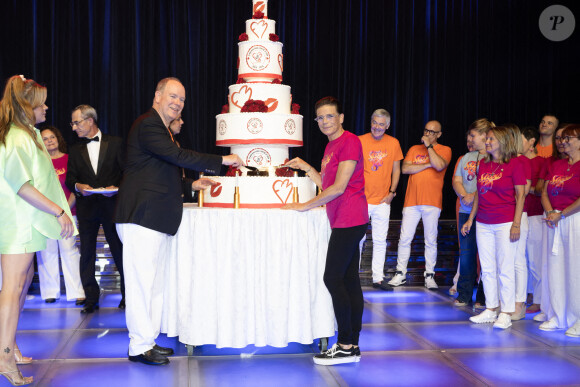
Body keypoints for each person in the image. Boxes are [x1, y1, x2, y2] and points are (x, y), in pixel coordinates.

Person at [113, 77, 242, 366]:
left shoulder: (161, 130)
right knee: (142, 286)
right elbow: (177, 156)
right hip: (141, 217)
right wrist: (222, 160)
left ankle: (148, 341)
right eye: (173, 96)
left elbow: (161, 174)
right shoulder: (148, 125)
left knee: (155, 285)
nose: (177, 103)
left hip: (154, 219)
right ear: (157, 95)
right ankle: (138, 346)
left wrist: (191, 187)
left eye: (182, 99)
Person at [0, 75, 75, 386]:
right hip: (19, 222)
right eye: (41, 102)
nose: (46, 107)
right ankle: (4, 357)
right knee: (12, 289)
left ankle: (10, 346)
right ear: (26, 106)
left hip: (26, 222)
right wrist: (58, 211)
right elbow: (22, 186)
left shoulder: (26, 134)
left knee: (19, 286)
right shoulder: (18, 136)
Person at [283, 96, 367, 366]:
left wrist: (306, 205)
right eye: (320, 118)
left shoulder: (350, 141)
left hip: (350, 217)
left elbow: (340, 187)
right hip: (341, 218)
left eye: (330, 116)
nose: (324, 122)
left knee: (333, 278)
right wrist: (307, 167)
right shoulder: (331, 146)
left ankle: (344, 344)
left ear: (341, 118)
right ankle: (351, 344)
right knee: (350, 280)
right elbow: (326, 183)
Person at [462, 126, 526, 329]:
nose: (487, 142)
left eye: (491, 139)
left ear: (503, 142)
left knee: (505, 268)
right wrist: (471, 218)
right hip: (483, 221)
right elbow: (480, 194)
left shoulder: (515, 164)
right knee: (487, 269)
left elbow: (521, 195)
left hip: (505, 221)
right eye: (487, 138)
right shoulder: (483, 164)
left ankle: (506, 312)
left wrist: (516, 224)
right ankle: (491, 308)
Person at [65, 104, 126, 313]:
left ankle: (128, 296)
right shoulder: (74, 150)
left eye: (76, 122)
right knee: (87, 253)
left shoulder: (116, 143)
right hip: (87, 208)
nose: (74, 127)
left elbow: (126, 172)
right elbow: (70, 179)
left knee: (120, 251)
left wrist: (116, 188)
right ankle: (91, 298)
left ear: (90, 121)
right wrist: (78, 187)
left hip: (112, 206)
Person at [388, 121, 452, 289]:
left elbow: (439, 165)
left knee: (430, 240)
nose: (428, 134)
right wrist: (427, 164)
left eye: (432, 132)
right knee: (405, 238)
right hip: (411, 201)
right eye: (426, 130)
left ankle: (429, 275)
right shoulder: (414, 149)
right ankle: (400, 273)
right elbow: (405, 169)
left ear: (439, 134)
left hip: (432, 201)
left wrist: (430, 148)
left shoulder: (445, 150)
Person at [37, 126, 85, 304]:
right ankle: (50, 292)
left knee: (69, 251)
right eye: (45, 138)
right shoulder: (38, 163)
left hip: (68, 214)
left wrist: (64, 210)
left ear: (58, 139)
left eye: (52, 137)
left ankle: (77, 292)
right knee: (46, 252)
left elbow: (74, 187)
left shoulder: (69, 160)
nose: (49, 140)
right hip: (45, 214)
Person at [540, 124, 580, 336]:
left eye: (569, 139)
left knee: (575, 269)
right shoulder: (557, 165)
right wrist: (550, 212)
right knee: (555, 268)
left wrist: (562, 214)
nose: (563, 142)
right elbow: (545, 191)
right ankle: (558, 315)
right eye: (562, 139)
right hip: (554, 219)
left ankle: (578, 318)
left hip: (574, 219)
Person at [358, 109, 403, 290]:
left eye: (381, 124)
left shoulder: (393, 143)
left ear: (388, 126)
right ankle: (352, 277)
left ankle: (377, 278)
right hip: (362, 199)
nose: (377, 127)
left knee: (379, 240)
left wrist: (392, 192)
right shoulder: (360, 140)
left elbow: (397, 169)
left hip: (383, 201)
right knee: (357, 239)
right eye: (374, 123)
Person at [452, 119, 494, 307]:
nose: (469, 138)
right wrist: (464, 194)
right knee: (467, 254)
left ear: (485, 136)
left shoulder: (493, 158)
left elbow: (487, 183)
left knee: (486, 255)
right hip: (465, 210)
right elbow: (456, 179)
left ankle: (484, 297)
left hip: (485, 212)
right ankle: (464, 294)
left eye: (473, 135)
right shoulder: (465, 157)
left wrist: (474, 196)